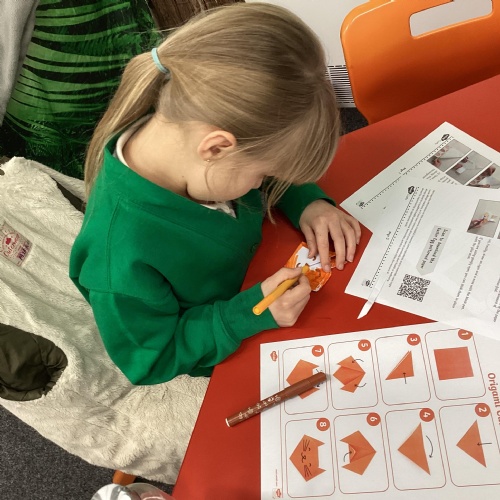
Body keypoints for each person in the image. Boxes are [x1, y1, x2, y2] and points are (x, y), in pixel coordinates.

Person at [70, 2, 361, 385]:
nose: (262, 183)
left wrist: (307, 202)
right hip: (234, 342)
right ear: (217, 147)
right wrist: (249, 313)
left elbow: (261, 150)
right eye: (265, 175)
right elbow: (153, 360)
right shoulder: (117, 258)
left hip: (265, 269)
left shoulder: (192, 135)